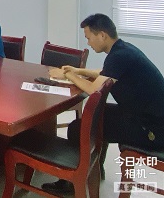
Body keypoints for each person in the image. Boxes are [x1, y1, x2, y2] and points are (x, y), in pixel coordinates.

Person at [42, 13, 164, 194]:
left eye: (89, 38)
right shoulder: (124, 49)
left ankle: (72, 182)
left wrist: (68, 75)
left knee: (77, 128)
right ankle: (95, 168)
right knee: (100, 113)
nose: (88, 43)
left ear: (102, 35)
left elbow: (94, 90)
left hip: (152, 131)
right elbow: (105, 73)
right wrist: (79, 71)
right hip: (147, 118)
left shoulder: (119, 56)